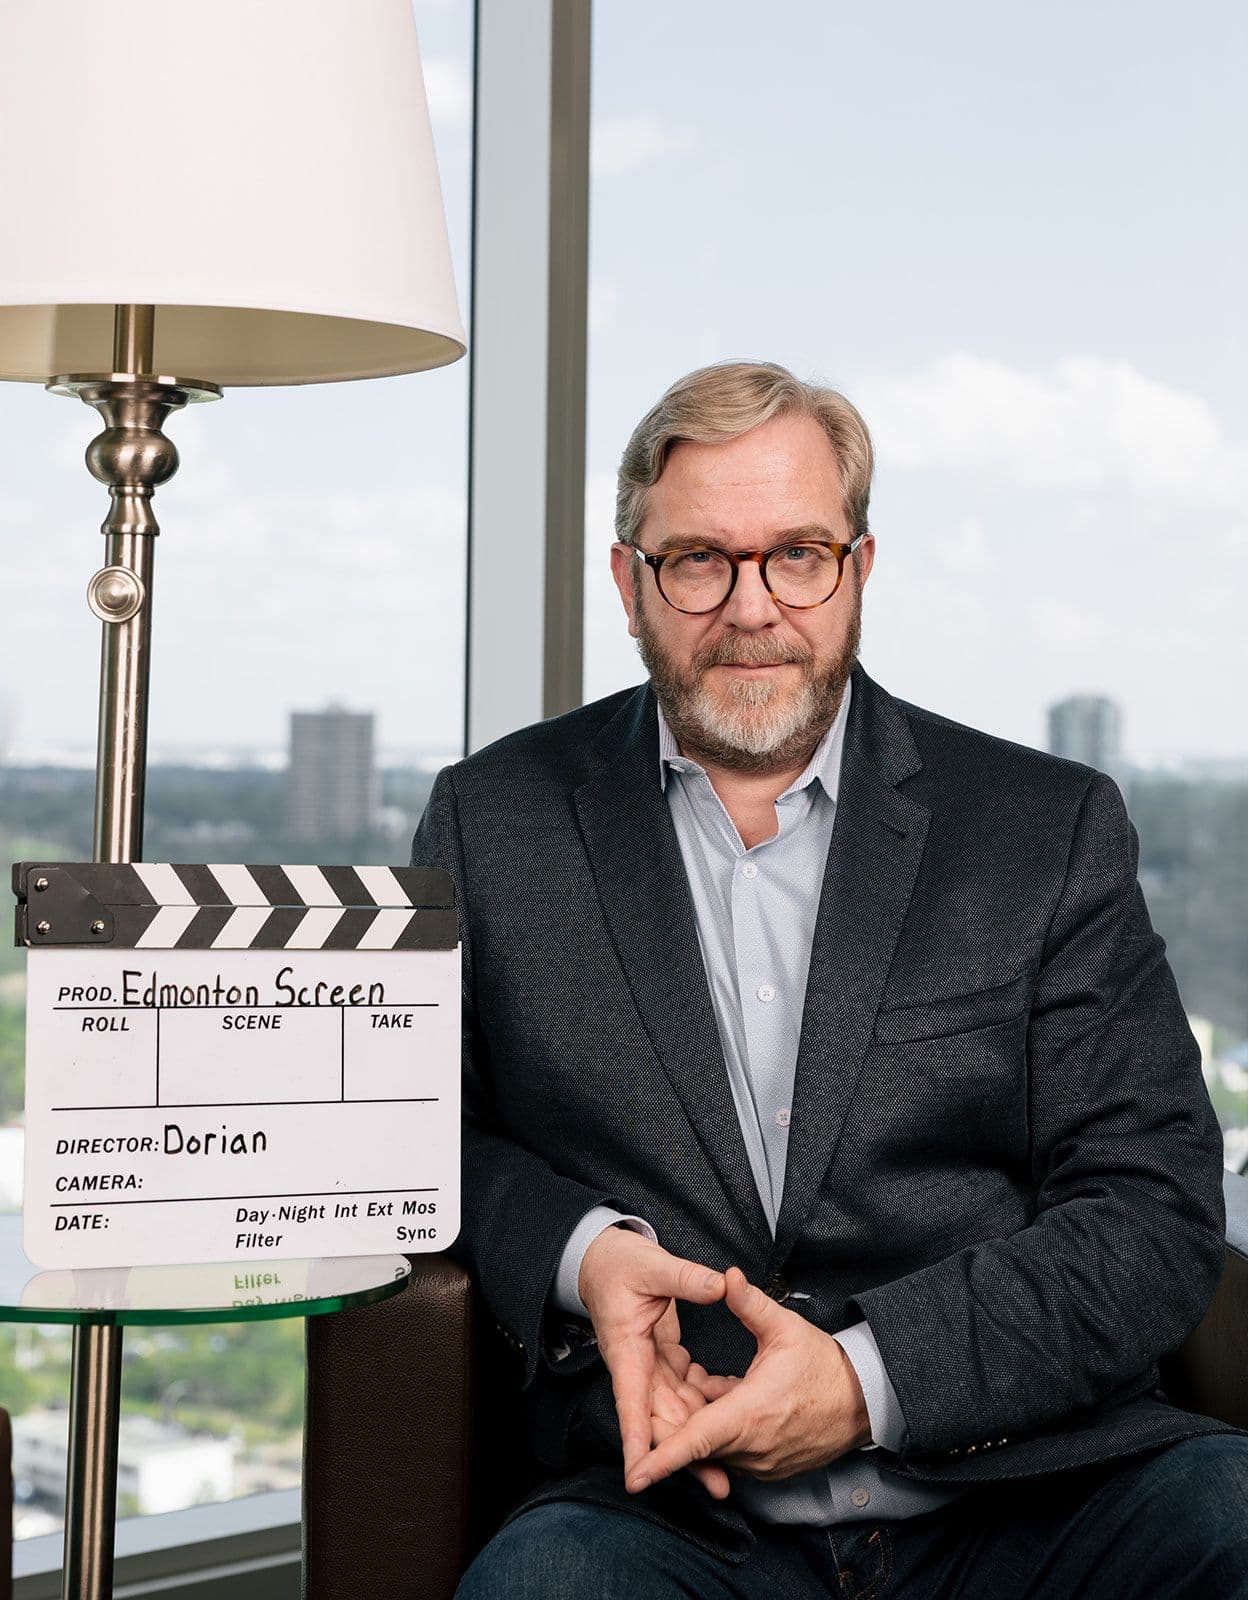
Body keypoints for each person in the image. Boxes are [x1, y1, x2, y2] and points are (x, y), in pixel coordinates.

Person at [412, 361, 1248, 1597]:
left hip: (1037, 1485)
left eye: (796, 554)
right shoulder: (494, 820)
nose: (751, 607)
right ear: (627, 580)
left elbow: (1154, 1202)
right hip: (666, 1513)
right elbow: (416, 1134)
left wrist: (866, 1381)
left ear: (858, 567)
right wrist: (581, 1252)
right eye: (698, 559)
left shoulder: (1047, 826)